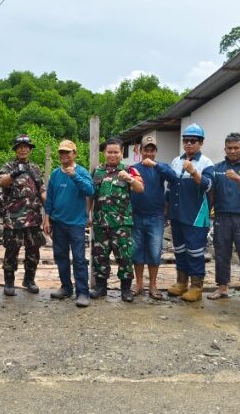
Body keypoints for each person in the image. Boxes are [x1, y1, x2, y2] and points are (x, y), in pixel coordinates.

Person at [88, 137, 144, 302]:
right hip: (100, 222)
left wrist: (129, 179)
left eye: (116, 152)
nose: (112, 155)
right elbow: (91, 195)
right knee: (100, 256)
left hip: (121, 224)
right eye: (109, 152)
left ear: (121, 153)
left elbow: (141, 188)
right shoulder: (97, 171)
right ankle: (101, 288)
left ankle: (125, 289)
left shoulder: (129, 169)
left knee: (124, 257)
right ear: (105, 153)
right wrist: (88, 214)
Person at [209, 132, 240, 307]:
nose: (232, 151)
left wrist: (238, 178)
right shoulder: (217, 168)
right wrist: (208, 213)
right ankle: (222, 287)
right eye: (229, 148)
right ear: (224, 148)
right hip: (222, 216)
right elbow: (212, 193)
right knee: (222, 253)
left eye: (236, 148)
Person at [167, 123, 215, 302]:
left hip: (196, 215)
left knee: (195, 252)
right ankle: (181, 282)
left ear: (200, 143)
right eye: (186, 140)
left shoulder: (206, 163)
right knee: (179, 250)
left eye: (193, 141)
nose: (188, 144)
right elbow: (170, 188)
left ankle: (196, 286)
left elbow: (208, 185)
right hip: (177, 214)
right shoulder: (176, 161)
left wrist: (194, 172)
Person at [43, 140, 94, 307]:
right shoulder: (56, 174)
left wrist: (74, 176)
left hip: (77, 224)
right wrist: (47, 218)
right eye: (61, 152)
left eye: (67, 152)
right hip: (58, 223)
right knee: (61, 257)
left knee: (79, 258)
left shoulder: (82, 172)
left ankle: (82, 292)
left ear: (75, 154)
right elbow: (49, 198)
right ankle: (66, 287)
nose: (64, 155)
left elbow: (90, 190)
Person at [0, 135, 46, 296]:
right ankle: (9, 282)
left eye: (26, 146)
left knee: (34, 250)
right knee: (12, 250)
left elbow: (42, 191)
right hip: (13, 219)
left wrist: (51, 211)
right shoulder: (8, 166)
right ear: (15, 149)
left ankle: (29, 279)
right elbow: (2, 182)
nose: (23, 149)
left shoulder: (35, 168)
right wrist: (13, 174)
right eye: (20, 146)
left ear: (30, 149)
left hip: (33, 218)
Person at [130, 135, 176, 299]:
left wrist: (155, 165)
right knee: (136, 251)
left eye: (152, 150)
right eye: (146, 150)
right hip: (136, 215)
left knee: (155, 251)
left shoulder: (161, 167)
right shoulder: (133, 168)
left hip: (156, 216)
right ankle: (139, 283)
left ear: (156, 152)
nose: (149, 153)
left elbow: (174, 178)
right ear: (140, 151)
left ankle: (153, 285)